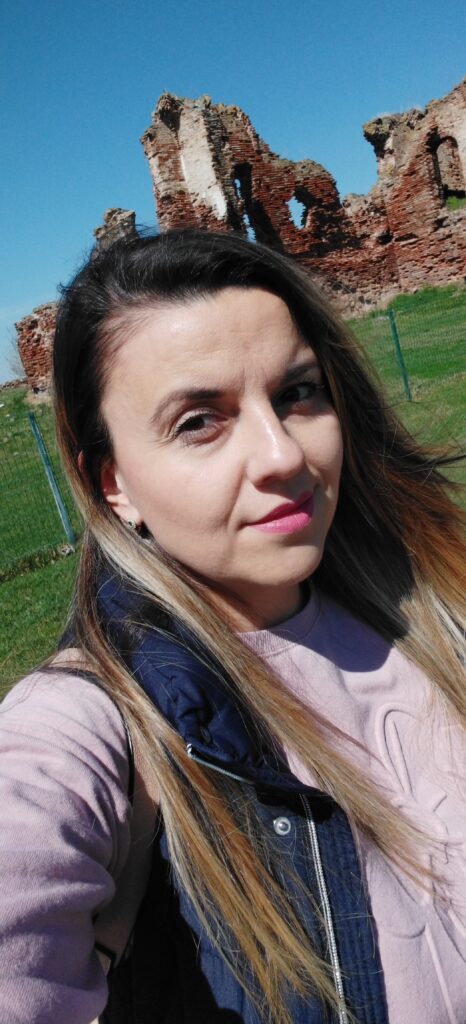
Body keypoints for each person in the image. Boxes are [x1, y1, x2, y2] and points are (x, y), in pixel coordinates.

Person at [0, 229, 465, 1024]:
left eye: (298, 393)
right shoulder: (95, 723)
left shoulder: (432, 604)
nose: (282, 454)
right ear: (114, 485)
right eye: (198, 422)